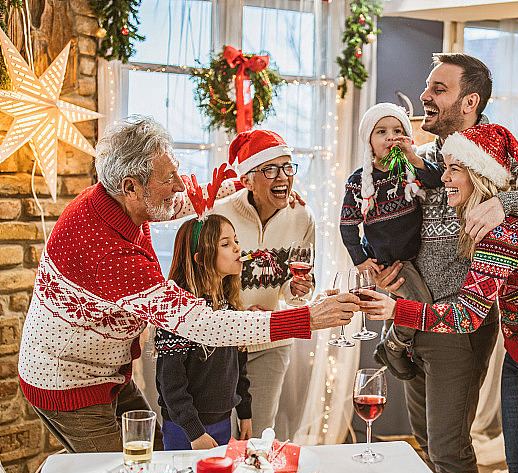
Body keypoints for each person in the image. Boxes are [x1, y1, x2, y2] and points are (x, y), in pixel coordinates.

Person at [17, 116, 359, 453]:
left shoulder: (117, 200)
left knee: (155, 455)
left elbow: (180, 201)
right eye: (169, 179)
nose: (180, 185)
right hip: (69, 381)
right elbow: (201, 323)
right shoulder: (106, 252)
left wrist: (254, 184)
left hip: (109, 372)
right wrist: (307, 318)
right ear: (131, 186)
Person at [375, 53, 518, 473]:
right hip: (413, 317)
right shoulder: (422, 156)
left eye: (438, 89)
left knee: (448, 447)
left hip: (460, 320)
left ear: (469, 102)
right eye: (428, 86)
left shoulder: (496, 154)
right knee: (425, 444)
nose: (425, 97)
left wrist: (507, 203)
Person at [211, 129, 315, 437]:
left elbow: (300, 291)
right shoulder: (220, 213)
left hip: (272, 341)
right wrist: (240, 314)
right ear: (247, 180)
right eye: (269, 169)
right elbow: (203, 281)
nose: (282, 176)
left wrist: (298, 292)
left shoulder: (301, 216)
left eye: (287, 167)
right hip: (223, 340)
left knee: (257, 435)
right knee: (219, 433)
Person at [339, 103, 440, 379]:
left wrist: (413, 156)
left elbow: (436, 180)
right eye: (381, 131)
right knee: (421, 306)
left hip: (413, 255)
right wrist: (360, 259)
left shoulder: (408, 168)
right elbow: (347, 225)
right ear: (369, 140)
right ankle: (392, 347)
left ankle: (395, 342)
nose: (390, 137)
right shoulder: (359, 181)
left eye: (397, 131)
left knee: (409, 304)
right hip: (389, 260)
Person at [155, 214, 252, 450]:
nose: (237, 248)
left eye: (235, 241)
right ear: (201, 258)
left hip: (223, 420)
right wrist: (194, 432)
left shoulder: (229, 305)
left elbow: (239, 364)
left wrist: (244, 411)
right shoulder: (178, 311)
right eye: (226, 244)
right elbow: (170, 382)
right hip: (186, 428)